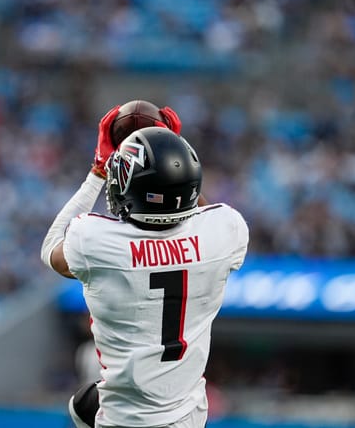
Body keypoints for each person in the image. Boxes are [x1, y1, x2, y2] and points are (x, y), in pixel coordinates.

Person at [40, 107, 250, 428]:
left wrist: (98, 171)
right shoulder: (226, 230)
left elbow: (51, 247)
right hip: (187, 416)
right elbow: (200, 212)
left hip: (124, 420)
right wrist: (172, 156)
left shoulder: (96, 240)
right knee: (84, 404)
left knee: (86, 406)